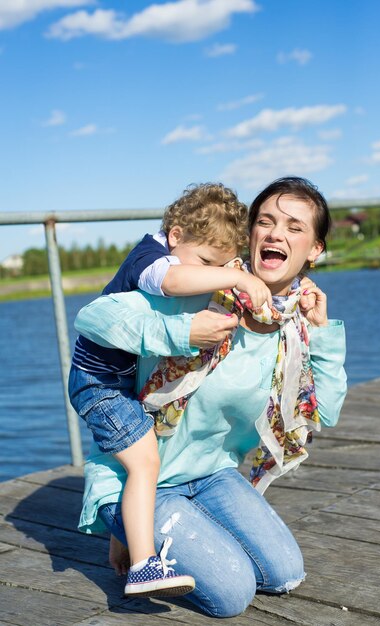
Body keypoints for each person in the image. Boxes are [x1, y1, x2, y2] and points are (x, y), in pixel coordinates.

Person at [74, 176, 347, 617]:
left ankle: (170, 532)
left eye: (295, 227)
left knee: (284, 573)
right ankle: (128, 525)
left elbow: (326, 413)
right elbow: (93, 318)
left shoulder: (294, 324)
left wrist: (322, 333)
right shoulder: (198, 286)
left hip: (213, 475)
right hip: (145, 480)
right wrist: (182, 331)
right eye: (266, 222)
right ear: (251, 235)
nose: (277, 233)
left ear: (315, 249)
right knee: (232, 594)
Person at [68, 183, 272, 597]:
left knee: (142, 461)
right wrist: (236, 276)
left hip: (117, 384)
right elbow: (174, 278)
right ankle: (144, 565)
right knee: (144, 463)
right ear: (175, 236)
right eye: (205, 263)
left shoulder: (172, 253)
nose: (208, 276)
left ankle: (127, 537)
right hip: (99, 383)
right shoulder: (149, 258)